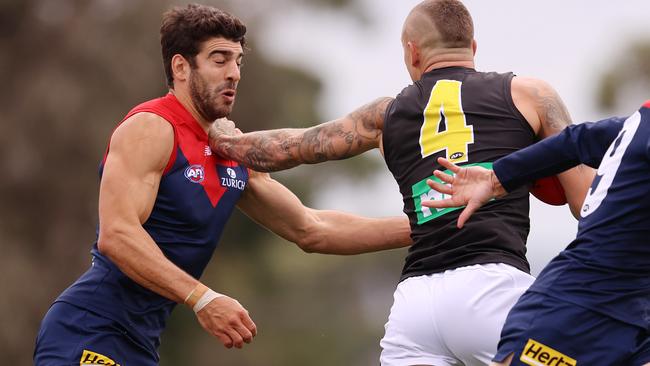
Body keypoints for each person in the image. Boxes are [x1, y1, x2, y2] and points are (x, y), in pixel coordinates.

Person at [207, 1, 596, 364]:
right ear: (473, 46)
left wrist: (222, 136)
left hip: (415, 308)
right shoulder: (531, 95)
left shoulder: (384, 115)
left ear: (413, 53)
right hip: (493, 291)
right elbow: (589, 205)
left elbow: (291, 147)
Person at [32, 4, 412, 366]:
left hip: (141, 341)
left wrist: (428, 226)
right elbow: (116, 235)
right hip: (89, 328)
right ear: (181, 67)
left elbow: (312, 229)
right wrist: (202, 298)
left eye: (238, 61)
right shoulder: (151, 127)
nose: (234, 73)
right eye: (219, 59)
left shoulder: (231, 151)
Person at [423, 101, 650, 365]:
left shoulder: (638, 125)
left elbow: (578, 140)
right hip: (574, 311)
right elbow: (578, 141)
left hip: (635, 320)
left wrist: (498, 177)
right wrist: (496, 178)